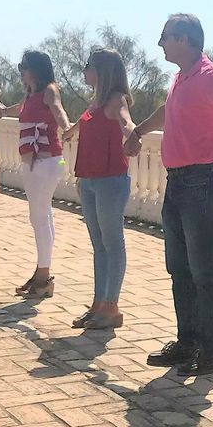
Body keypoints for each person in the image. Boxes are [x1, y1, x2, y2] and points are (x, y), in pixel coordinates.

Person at [124, 14, 213, 378]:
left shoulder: (210, 75)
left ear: (184, 39)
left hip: (202, 181)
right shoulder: (181, 78)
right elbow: (168, 111)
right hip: (178, 182)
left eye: (165, 37)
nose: (160, 44)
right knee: (179, 269)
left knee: (205, 271)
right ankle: (188, 343)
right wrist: (139, 131)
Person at [64, 47, 135, 329]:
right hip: (89, 180)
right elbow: (84, 125)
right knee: (99, 245)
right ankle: (98, 304)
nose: (84, 70)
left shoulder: (116, 99)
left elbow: (125, 120)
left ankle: (112, 306)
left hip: (111, 180)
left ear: (102, 70)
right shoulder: (95, 101)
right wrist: (70, 131)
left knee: (112, 243)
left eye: (89, 65)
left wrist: (133, 135)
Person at [0, 51, 71, 298]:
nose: (21, 71)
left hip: (46, 161)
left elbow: (57, 109)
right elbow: (20, 109)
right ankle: (41, 272)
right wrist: (2, 110)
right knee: (42, 215)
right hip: (36, 161)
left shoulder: (49, 90)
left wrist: (66, 126)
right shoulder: (30, 94)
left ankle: (43, 276)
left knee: (39, 217)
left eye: (24, 67)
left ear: (36, 69)